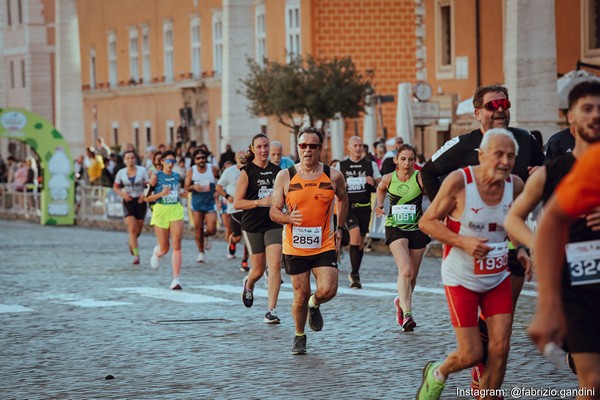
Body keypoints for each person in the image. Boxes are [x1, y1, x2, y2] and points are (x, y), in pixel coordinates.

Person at [419, 84, 544, 384]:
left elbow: (538, 179)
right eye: (493, 105)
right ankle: (473, 363)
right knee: (477, 342)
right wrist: (453, 218)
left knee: (500, 333)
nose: (500, 109)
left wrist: (527, 245)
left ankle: (485, 384)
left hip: (510, 241)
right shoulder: (463, 145)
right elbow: (427, 172)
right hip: (468, 245)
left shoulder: (525, 140)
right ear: (478, 113)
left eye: (505, 103)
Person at [417, 129, 526, 400]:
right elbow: (427, 222)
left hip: (497, 277)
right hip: (461, 278)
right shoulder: (459, 181)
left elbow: (513, 224)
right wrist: (463, 242)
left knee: (500, 348)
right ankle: (437, 373)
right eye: (498, 154)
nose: (505, 161)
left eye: (510, 156)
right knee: (472, 353)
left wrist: (521, 248)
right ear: (481, 156)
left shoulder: (517, 186)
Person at [529, 143, 600, 399]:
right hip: (580, 281)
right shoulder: (589, 162)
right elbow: (551, 220)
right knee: (593, 383)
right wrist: (548, 304)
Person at [270, 126, 349, 355]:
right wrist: (287, 218)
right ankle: (299, 335)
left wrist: (340, 229)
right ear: (298, 148)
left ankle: (315, 305)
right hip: (295, 245)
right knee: (300, 293)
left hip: (323, 242)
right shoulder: (285, 176)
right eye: (303, 146)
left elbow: (343, 199)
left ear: (320, 149)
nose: (307, 150)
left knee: (329, 289)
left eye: (312, 146)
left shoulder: (333, 175)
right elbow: (274, 212)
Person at [374, 144, 430, 331]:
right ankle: (408, 314)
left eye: (411, 159)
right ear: (396, 160)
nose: (407, 163)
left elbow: (435, 196)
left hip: (417, 229)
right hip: (395, 227)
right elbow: (380, 189)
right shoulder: (389, 178)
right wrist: (380, 204)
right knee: (405, 270)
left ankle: (401, 302)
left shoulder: (419, 178)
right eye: (403, 159)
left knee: (412, 276)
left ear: (415, 161)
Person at [233, 133, 283, 324]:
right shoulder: (247, 172)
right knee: (259, 269)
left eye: (266, 146)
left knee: (275, 264)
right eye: (259, 147)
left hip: (273, 222)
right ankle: (249, 283)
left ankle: (271, 310)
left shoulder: (277, 171)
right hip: (252, 225)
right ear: (253, 149)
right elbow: (238, 203)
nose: (263, 150)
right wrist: (258, 202)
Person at [338, 136, 382, 288]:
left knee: (361, 243)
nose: (358, 148)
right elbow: (333, 187)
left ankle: (355, 273)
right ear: (349, 147)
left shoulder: (371, 165)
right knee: (355, 237)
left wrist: (374, 181)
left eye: (360, 145)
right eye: (355, 145)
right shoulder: (341, 165)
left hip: (365, 207)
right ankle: (355, 274)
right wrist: (341, 185)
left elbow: (381, 185)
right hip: (349, 207)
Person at [145, 150, 187, 290]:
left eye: (173, 161)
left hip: (175, 209)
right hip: (161, 210)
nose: (171, 164)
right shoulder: (155, 176)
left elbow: (177, 191)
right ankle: (157, 252)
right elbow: (146, 197)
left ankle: (176, 279)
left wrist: (182, 193)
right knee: (165, 248)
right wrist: (161, 193)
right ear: (162, 161)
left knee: (177, 244)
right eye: (168, 161)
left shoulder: (176, 176)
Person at [113, 150, 149, 264]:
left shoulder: (142, 171)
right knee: (132, 228)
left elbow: (148, 185)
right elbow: (115, 187)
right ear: (124, 160)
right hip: (128, 201)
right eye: (127, 158)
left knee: (138, 230)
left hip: (140, 201)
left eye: (132, 158)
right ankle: (136, 255)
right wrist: (123, 194)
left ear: (135, 159)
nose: (130, 160)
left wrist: (144, 195)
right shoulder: (121, 173)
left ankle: (131, 242)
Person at [216, 151, 250, 269]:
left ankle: (245, 261)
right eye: (239, 157)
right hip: (234, 208)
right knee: (238, 236)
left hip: (248, 207)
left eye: (244, 156)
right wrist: (227, 196)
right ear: (235, 158)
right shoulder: (229, 171)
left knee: (248, 235)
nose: (242, 158)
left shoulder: (251, 169)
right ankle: (232, 241)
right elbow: (218, 186)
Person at [185, 149, 217, 263]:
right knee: (198, 228)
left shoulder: (212, 169)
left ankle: (207, 235)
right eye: (198, 158)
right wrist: (193, 187)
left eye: (203, 158)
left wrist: (218, 190)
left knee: (212, 229)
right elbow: (186, 187)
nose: (201, 160)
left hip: (210, 202)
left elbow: (220, 181)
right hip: (197, 203)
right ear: (194, 160)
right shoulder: (191, 171)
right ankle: (201, 252)